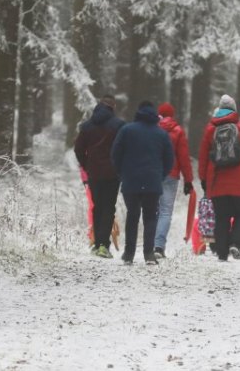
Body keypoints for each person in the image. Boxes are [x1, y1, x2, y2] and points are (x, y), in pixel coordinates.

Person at [111, 100, 174, 265]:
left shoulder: (126, 130)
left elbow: (115, 153)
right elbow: (169, 159)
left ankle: (129, 253)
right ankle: (149, 254)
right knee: (150, 217)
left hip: (130, 181)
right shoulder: (161, 134)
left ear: (138, 112)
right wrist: (160, 175)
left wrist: (121, 173)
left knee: (132, 215)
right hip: (152, 181)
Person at [198, 93, 240, 262]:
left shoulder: (210, 129)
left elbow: (203, 156)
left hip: (217, 180)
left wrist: (203, 178)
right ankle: (235, 243)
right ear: (234, 109)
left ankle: (222, 252)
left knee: (221, 216)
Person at [74, 95, 124, 258]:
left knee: (97, 207)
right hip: (112, 173)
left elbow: (78, 149)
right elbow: (125, 148)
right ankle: (103, 244)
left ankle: (97, 244)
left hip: (94, 173)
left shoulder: (87, 126)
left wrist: (86, 165)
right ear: (112, 107)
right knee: (108, 208)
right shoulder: (119, 126)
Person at [153, 102, 195, 258]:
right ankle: (158, 247)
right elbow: (184, 158)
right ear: (172, 115)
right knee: (165, 212)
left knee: (154, 210)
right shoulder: (177, 131)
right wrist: (188, 180)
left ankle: (151, 244)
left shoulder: (152, 129)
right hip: (171, 175)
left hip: (154, 174)